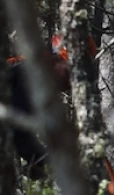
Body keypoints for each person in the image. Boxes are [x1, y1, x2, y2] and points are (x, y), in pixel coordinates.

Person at [6, 35, 76, 179]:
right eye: (68, 74)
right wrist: (40, 158)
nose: (68, 85)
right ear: (56, 60)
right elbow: (17, 127)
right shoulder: (29, 75)